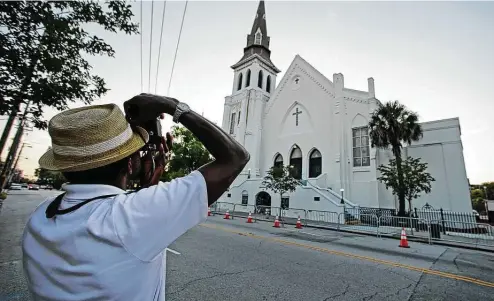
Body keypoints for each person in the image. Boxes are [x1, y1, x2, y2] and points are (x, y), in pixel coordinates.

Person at [22, 94, 250, 301]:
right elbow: (235, 158)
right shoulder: (130, 216)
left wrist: (149, 184)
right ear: (130, 165)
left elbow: (120, 213)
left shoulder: (40, 216)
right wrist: (172, 106)